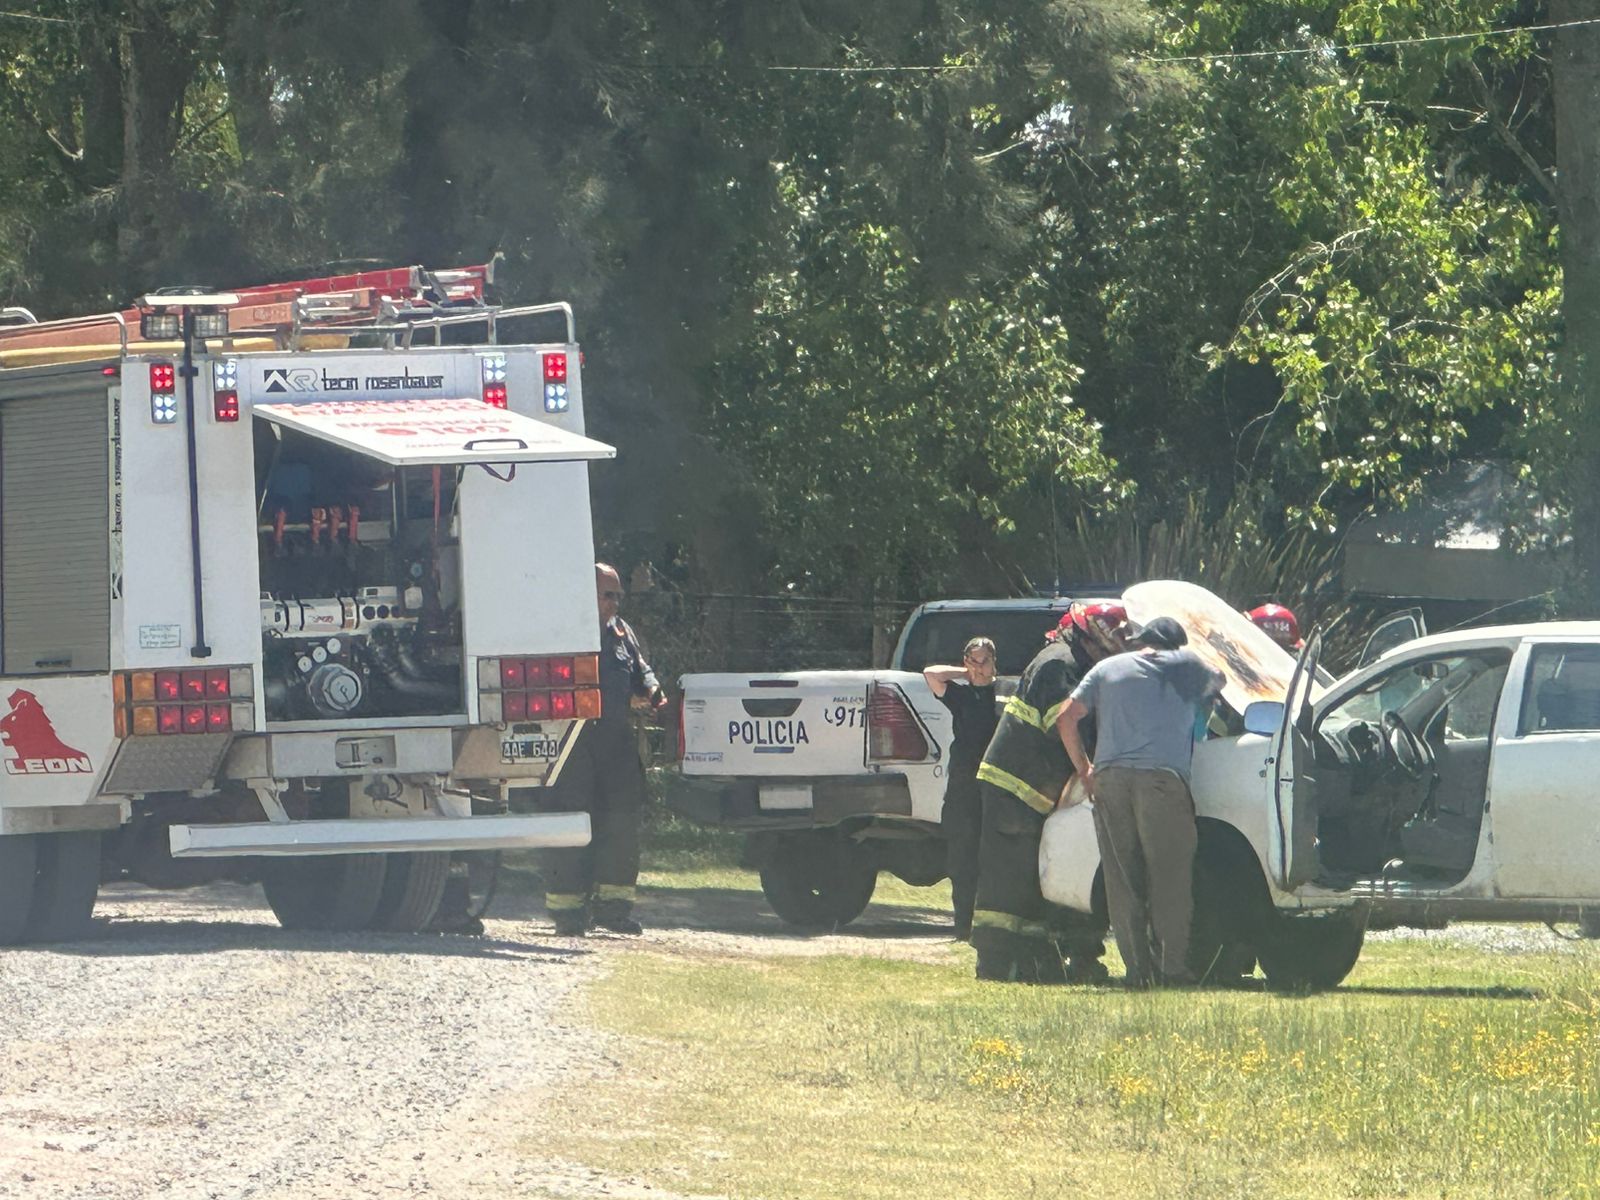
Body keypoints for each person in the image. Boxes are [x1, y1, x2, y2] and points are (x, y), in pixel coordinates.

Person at [969, 602, 1131, 983]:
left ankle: (1035, 961)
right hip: (1013, 786)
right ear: (1090, 638)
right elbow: (1064, 723)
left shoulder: (1077, 664)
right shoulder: (1059, 663)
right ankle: (994, 961)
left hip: (1037, 791)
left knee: (1033, 877)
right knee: (1007, 880)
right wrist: (1087, 770)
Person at [1059, 615, 1224, 988]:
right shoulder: (1187, 664)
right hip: (1161, 782)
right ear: (1176, 644)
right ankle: (1171, 968)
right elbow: (1220, 683)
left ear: (1141, 640)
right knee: (1169, 877)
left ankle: (1137, 971)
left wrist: (1085, 769)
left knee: (1122, 879)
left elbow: (1066, 718)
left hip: (1110, 781)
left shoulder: (1106, 669)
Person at [537, 563, 668, 936]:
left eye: (618, 596)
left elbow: (643, 674)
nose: (615, 603)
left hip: (615, 741)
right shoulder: (558, 632)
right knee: (569, 823)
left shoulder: (622, 634)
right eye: (607, 595)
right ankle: (568, 912)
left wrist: (656, 696)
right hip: (570, 743)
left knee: (621, 822)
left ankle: (613, 910)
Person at [923, 637, 999, 941]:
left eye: (984, 661)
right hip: (963, 784)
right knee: (962, 856)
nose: (979, 668)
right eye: (973, 661)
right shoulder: (960, 695)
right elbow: (931, 674)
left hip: (995, 784)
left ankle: (991, 926)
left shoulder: (1003, 694)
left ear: (994, 662)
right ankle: (963, 926)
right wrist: (964, 672)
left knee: (993, 856)